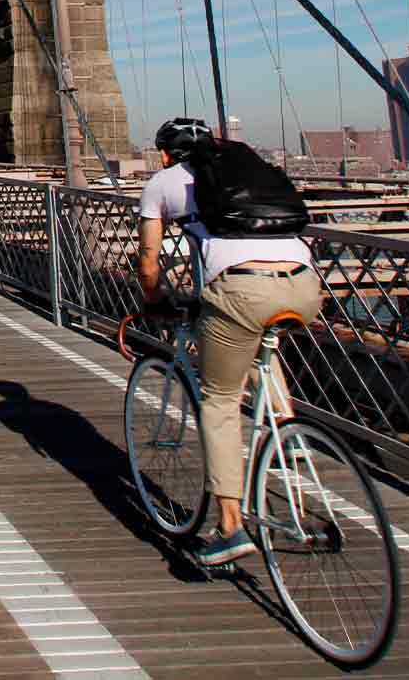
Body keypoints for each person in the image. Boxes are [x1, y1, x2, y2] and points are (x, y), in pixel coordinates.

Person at [136, 116, 321, 568]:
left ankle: (230, 527)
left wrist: (154, 300)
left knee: (218, 400)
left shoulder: (163, 182)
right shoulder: (249, 167)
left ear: (165, 153)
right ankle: (289, 433)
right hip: (307, 284)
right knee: (259, 343)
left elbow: (147, 262)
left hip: (241, 288)